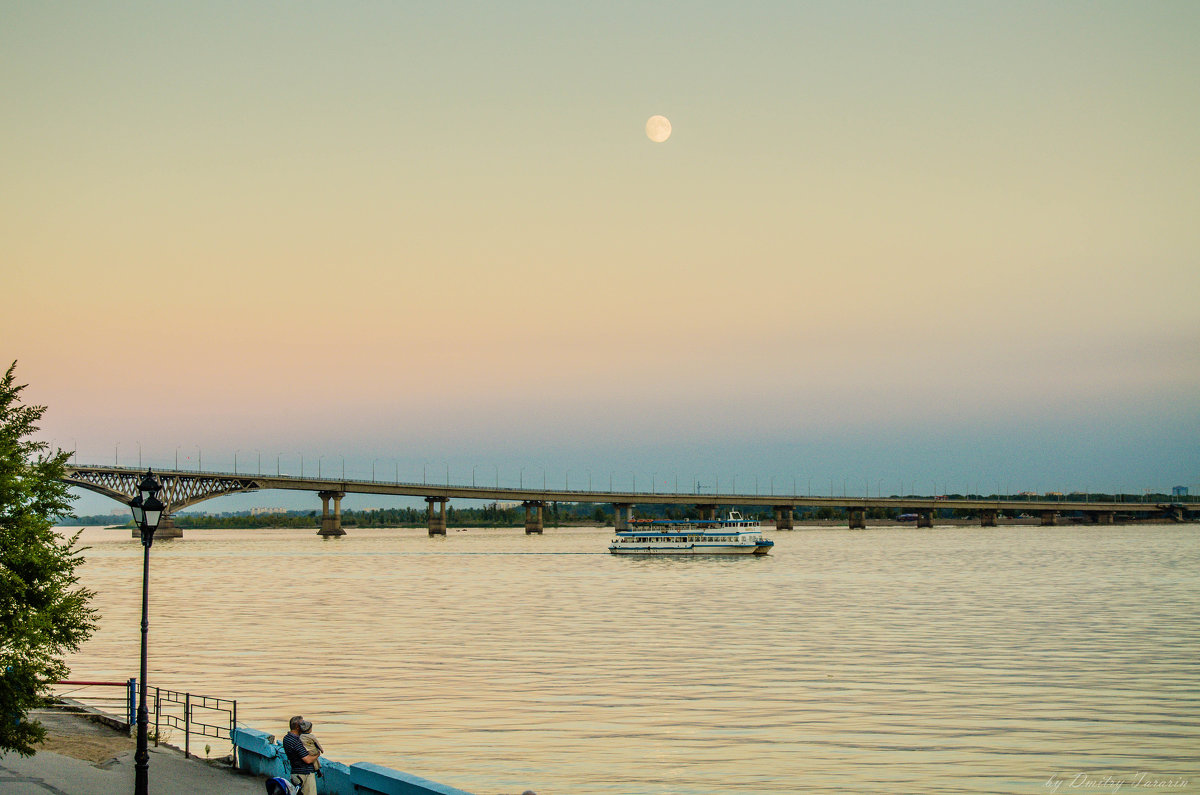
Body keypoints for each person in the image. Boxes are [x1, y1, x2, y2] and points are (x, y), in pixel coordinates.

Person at [282, 715, 319, 795]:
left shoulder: (286, 738)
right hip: (304, 774)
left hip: (295, 772)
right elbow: (307, 760)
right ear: (297, 727)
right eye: (302, 724)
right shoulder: (296, 741)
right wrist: (317, 755)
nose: (304, 726)